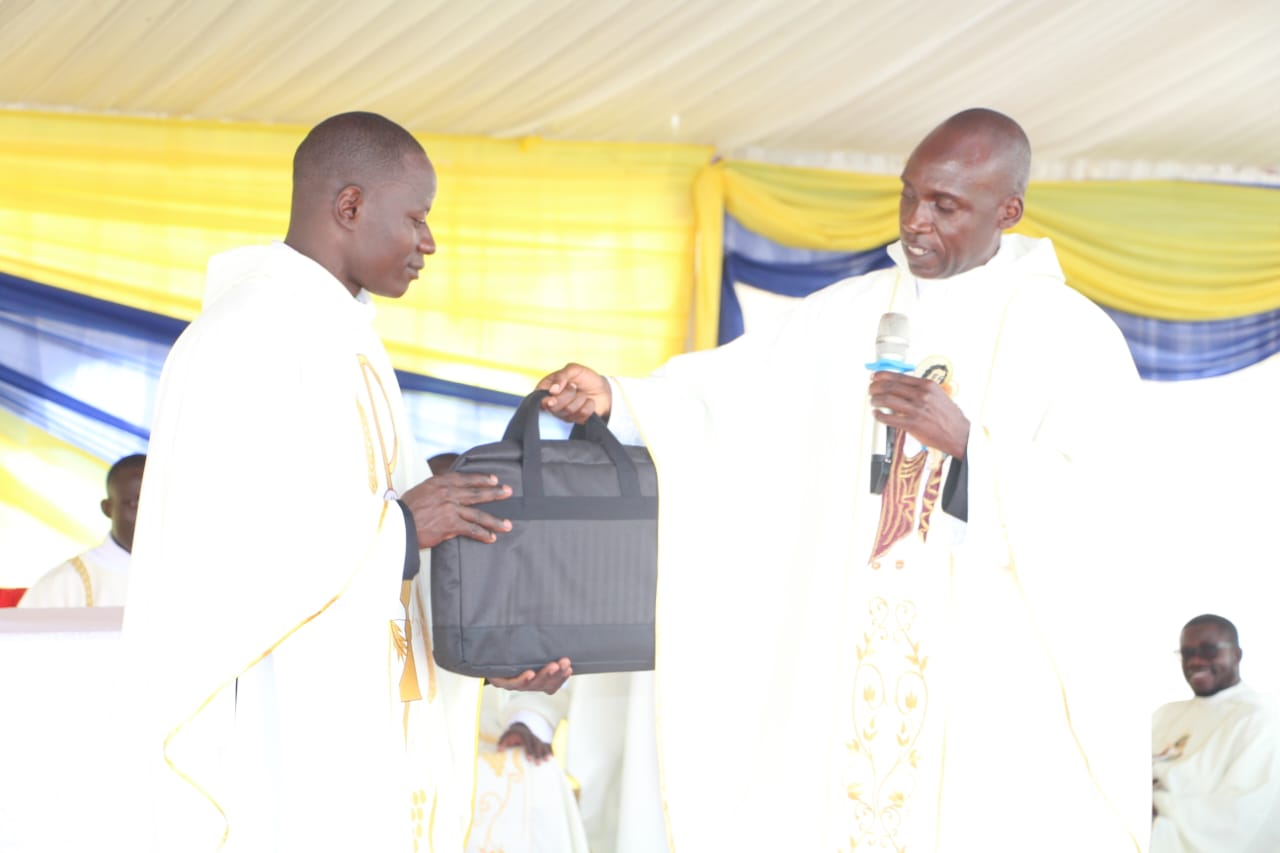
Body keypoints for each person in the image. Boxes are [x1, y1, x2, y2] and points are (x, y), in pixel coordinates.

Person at [536, 108, 1149, 851]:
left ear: (1008, 211)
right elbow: (729, 397)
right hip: (840, 668)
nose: (915, 223)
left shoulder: (1071, 337)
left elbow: (1099, 522)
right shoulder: (849, 314)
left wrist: (969, 447)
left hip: (987, 691)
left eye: (945, 205)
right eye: (908, 196)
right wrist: (620, 396)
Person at [123, 112, 569, 852]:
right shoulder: (245, 334)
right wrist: (401, 525)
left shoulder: (350, 337)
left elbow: (391, 573)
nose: (430, 243)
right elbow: (225, 556)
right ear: (350, 206)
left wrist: (487, 661)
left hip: (367, 735)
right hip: (290, 740)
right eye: (418, 218)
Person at [1151, 615, 1280, 852]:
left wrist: (1150, 807)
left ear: (1237, 655)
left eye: (1209, 650)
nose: (1196, 661)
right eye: (1187, 653)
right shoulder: (1163, 716)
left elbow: (1238, 817)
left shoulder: (1261, 719)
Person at [19, 453, 145, 608]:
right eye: (134, 503)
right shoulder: (62, 587)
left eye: (162, 501)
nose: (149, 513)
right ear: (108, 509)